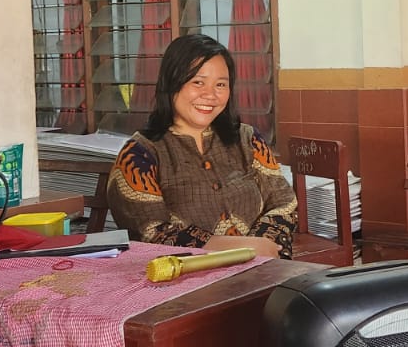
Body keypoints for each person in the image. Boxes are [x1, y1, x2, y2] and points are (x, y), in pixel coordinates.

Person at [107, 32, 296, 258]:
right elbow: (152, 232)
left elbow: (284, 202)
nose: (210, 95)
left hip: (263, 267)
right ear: (171, 83)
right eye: (198, 82)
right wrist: (245, 248)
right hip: (186, 276)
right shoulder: (140, 155)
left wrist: (264, 248)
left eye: (221, 84)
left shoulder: (248, 139)